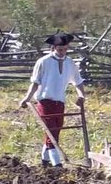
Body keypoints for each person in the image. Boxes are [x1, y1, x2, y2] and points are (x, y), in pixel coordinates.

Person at [20, 32, 86, 168]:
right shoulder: (43, 62)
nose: (63, 52)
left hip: (59, 102)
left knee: (56, 130)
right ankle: (57, 164)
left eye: (66, 49)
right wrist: (26, 99)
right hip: (45, 102)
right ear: (53, 48)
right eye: (60, 49)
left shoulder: (69, 63)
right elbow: (35, 83)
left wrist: (81, 95)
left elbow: (78, 81)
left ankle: (44, 161)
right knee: (51, 131)